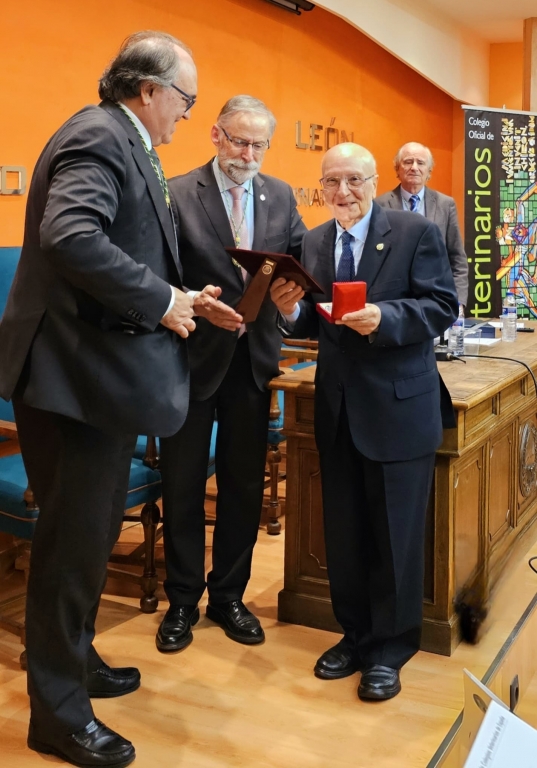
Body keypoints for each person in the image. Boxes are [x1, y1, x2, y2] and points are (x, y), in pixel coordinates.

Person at [0, 31, 238, 767]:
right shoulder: (100, 134)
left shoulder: (121, 139)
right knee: (72, 548)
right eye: (186, 101)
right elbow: (70, 235)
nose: (186, 116)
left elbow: (121, 254)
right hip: (70, 383)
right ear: (149, 90)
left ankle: (77, 666)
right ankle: (57, 716)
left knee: (93, 537)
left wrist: (180, 297)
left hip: (92, 379)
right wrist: (162, 297)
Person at [270, 143, 457, 701]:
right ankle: (353, 636)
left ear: (375, 181)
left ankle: (389, 650)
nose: (343, 192)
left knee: (396, 541)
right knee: (344, 537)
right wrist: (286, 309)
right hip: (338, 411)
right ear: (321, 187)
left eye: (354, 180)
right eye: (332, 182)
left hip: (400, 410)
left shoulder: (415, 231)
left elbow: (442, 305)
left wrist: (386, 317)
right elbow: (313, 315)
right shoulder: (315, 241)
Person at [156, 95, 307, 653]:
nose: (248, 153)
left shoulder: (282, 195)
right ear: (216, 135)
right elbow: (156, 272)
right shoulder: (175, 192)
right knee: (184, 483)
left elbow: (296, 275)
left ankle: (229, 597)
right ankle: (180, 601)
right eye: (239, 141)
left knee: (243, 484)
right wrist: (190, 302)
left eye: (259, 145)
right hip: (190, 358)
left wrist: (292, 304)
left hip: (253, 362)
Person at [376, 141, 468, 306]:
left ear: (429, 171)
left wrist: (458, 303)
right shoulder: (379, 206)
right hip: (394, 302)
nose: (414, 167)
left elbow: (457, 258)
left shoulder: (445, 204)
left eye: (420, 162)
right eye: (408, 162)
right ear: (397, 168)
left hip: (435, 298)